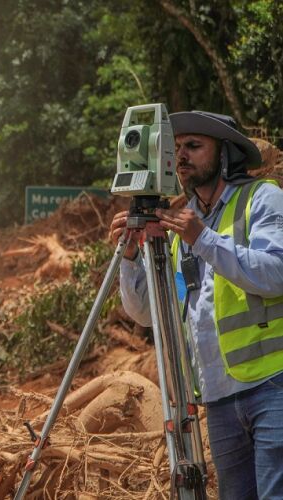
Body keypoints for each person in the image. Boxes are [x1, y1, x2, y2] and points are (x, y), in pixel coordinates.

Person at [111, 111, 283, 499]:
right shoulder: (180, 230)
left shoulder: (262, 198)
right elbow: (145, 313)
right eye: (176, 149)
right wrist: (131, 257)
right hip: (219, 398)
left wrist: (202, 238)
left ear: (225, 155)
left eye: (194, 146)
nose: (181, 157)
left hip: (272, 385)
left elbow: (276, 272)